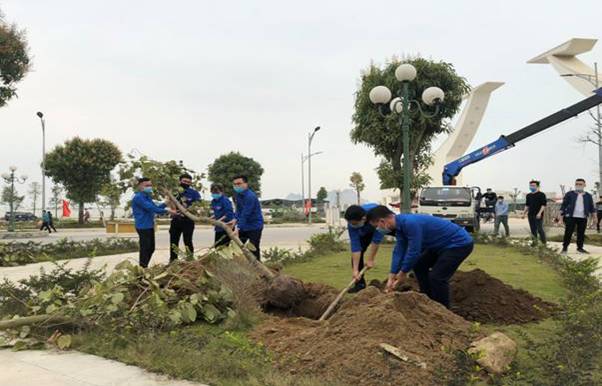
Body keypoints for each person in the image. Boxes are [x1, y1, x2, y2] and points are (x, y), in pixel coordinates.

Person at [366, 205, 473, 308]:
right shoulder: (400, 227)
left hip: (458, 244)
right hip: (439, 245)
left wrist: (403, 272)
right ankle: (426, 299)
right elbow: (399, 251)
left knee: (437, 277)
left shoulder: (410, 223)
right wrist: (392, 274)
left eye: (376, 226)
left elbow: (414, 251)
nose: (377, 230)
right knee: (419, 266)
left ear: (382, 221)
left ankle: (443, 310)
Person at [132, 177, 176, 268]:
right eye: (147, 185)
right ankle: (142, 269)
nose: (149, 187)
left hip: (149, 225)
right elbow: (152, 209)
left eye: (150, 185)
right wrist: (168, 211)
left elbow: (156, 207)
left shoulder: (147, 197)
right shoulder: (138, 197)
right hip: (143, 226)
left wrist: (165, 203)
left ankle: (144, 266)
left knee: (151, 248)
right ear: (140, 186)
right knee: (145, 249)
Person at [343, 203, 385, 293]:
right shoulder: (352, 223)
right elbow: (355, 246)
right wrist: (355, 270)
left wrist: (371, 259)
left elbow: (376, 240)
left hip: (384, 225)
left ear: (363, 218)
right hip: (364, 232)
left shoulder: (376, 215)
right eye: (350, 223)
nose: (352, 225)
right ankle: (360, 285)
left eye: (354, 223)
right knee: (357, 255)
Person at [169, 173, 201, 262]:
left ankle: (190, 260)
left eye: (188, 182)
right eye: (184, 181)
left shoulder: (194, 193)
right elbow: (170, 203)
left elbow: (198, 205)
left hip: (188, 221)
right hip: (176, 220)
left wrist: (188, 209)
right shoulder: (174, 192)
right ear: (180, 181)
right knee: (173, 242)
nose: (186, 183)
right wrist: (174, 210)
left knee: (188, 241)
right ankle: (173, 260)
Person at [559, 178, 596, 254]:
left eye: (580, 184)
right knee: (568, 232)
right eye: (577, 184)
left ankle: (580, 248)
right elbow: (563, 206)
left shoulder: (588, 196)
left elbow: (592, 207)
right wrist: (560, 218)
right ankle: (565, 248)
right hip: (570, 216)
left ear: (584, 185)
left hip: (583, 217)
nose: (578, 185)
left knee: (581, 233)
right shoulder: (570, 194)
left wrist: (595, 218)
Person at [232, 175, 264, 260]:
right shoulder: (238, 195)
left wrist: (238, 228)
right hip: (244, 226)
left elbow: (246, 213)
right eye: (234, 184)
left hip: (254, 226)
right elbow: (238, 210)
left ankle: (259, 270)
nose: (236, 186)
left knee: (253, 249)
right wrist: (235, 219)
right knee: (237, 247)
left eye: (239, 183)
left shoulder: (250, 196)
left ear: (246, 184)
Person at [522, 180, 547, 245]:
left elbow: (543, 205)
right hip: (530, 214)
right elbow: (527, 205)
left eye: (533, 186)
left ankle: (543, 243)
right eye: (530, 185)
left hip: (538, 215)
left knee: (539, 229)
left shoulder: (541, 194)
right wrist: (524, 213)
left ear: (537, 186)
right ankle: (534, 242)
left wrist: (539, 213)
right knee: (533, 229)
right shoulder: (528, 195)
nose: (531, 187)